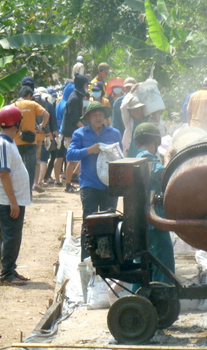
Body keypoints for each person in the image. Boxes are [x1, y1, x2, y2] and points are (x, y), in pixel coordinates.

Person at [66, 102, 122, 261]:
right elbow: (70, 155)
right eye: (94, 115)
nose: (98, 118)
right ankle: (87, 258)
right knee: (89, 221)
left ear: (105, 117)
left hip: (110, 185)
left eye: (101, 115)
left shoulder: (114, 133)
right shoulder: (80, 134)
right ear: (88, 117)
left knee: (110, 220)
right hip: (89, 184)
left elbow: (120, 156)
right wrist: (90, 150)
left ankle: (108, 259)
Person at [132, 123, 175, 288]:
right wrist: (169, 156)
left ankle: (141, 300)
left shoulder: (138, 155)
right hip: (153, 221)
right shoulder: (147, 158)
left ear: (136, 142)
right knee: (162, 262)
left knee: (144, 263)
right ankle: (161, 299)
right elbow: (163, 173)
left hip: (143, 219)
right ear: (157, 140)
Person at [0, 105, 31, 285]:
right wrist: (13, 202)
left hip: (14, 199)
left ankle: (11, 270)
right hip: (8, 200)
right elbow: (4, 174)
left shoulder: (9, 142)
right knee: (10, 236)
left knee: (13, 236)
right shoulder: (2, 144)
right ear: (16, 123)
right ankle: (6, 274)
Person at [13, 85, 49, 195]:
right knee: (30, 168)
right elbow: (46, 114)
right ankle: (28, 193)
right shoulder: (33, 104)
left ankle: (18, 191)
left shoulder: (14, 105)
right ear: (29, 95)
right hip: (31, 142)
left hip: (17, 141)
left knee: (17, 168)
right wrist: (41, 126)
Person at [61, 74, 89, 193]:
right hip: (71, 133)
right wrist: (86, 130)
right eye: (87, 85)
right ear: (84, 85)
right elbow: (75, 119)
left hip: (75, 132)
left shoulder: (77, 97)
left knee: (80, 157)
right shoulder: (74, 99)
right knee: (72, 160)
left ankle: (73, 176)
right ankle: (68, 184)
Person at [54, 82, 75, 187]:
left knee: (59, 157)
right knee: (68, 158)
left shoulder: (59, 103)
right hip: (65, 134)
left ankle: (57, 179)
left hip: (58, 134)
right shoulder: (68, 104)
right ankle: (67, 179)